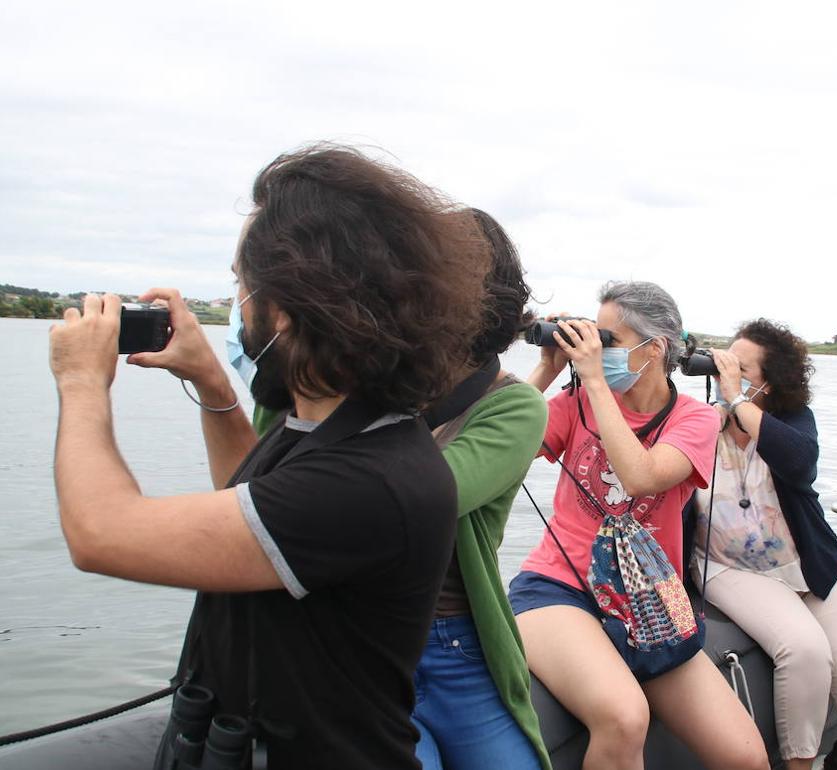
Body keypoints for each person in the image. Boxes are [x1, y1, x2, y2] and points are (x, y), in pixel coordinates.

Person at [47, 144, 486, 768]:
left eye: (241, 285)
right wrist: (213, 384)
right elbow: (250, 511)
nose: (238, 304)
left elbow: (99, 532)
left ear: (288, 305)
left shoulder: (370, 479)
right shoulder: (333, 428)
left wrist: (81, 383)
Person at [509, 281, 768, 770]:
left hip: (647, 600)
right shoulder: (577, 401)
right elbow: (498, 440)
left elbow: (642, 476)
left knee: (745, 756)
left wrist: (596, 382)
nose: (596, 350)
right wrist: (548, 367)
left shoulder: (695, 419)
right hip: (558, 588)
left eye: (609, 340)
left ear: (656, 349)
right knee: (624, 718)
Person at [690, 319, 837, 770]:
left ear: (768, 385)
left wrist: (736, 400)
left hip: (808, 563)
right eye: (724, 364)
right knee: (805, 649)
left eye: (741, 369)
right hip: (731, 567)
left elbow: (799, 463)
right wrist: (722, 402)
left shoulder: (792, 422)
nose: (725, 373)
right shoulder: (700, 424)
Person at [407, 209, 552, 770]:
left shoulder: (513, 404)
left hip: (456, 644)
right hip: (369, 646)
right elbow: (258, 477)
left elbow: (425, 496)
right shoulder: (360, 386)